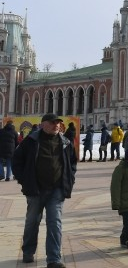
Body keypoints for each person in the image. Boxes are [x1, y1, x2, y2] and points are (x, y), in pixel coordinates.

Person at [13, 113, 77, 267]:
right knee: (32, 222)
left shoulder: (65, 142)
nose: (56, 125)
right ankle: (28, 251)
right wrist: (24, 180)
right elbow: (17, 161)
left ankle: (54, 259)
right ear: (43, 124)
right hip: (35, 189)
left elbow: (72, 163)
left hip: (56, 190)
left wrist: (69, 180)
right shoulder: (31, 141)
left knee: (54, 222)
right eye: (52, 123)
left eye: (58, 123)